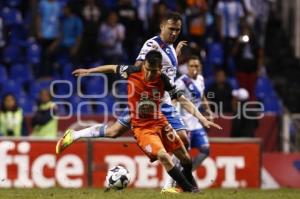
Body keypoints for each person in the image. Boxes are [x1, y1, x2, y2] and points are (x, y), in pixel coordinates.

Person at [57, 50, 220, 192]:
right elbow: (112, 68)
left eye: (154, 71)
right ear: (144, 65)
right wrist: (89, 71)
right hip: (138, 118)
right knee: (114, 133)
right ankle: (75, 135)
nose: (150, 74)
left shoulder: (163, 79)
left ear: (160, 69)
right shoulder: (132, 70)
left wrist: (201, 118)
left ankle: (183, 184)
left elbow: (182, 99)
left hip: (158, 116)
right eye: (148, 69)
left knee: (183, 153)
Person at [161, 55, 214, 189]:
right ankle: (169, 184)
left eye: (197, 66)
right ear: (187, 68)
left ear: (200, 67)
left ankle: (186, 175)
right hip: (184, 125)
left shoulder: (201, 79)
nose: (194, 68)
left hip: (196, 124)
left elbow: (202, 96)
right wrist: (171, 114)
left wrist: (208, 110)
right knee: (181, 156)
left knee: (205, 150)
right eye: (192, 66)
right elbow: (172, 97)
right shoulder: (182, 81)